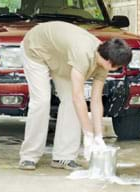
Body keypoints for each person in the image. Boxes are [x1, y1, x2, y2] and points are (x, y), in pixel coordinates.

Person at [19, 21, 132, 170]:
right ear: (109, 61)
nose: (117, 69)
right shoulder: (83, 53)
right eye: (117, 66)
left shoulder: (104, 63)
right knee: (42, 101)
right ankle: (29, 156)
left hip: (62, 58)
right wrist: (87, 134)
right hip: (37, 49)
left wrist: (98, 136)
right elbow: (78, 96)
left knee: (71, 105)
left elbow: (96, 101)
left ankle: (63, 157)